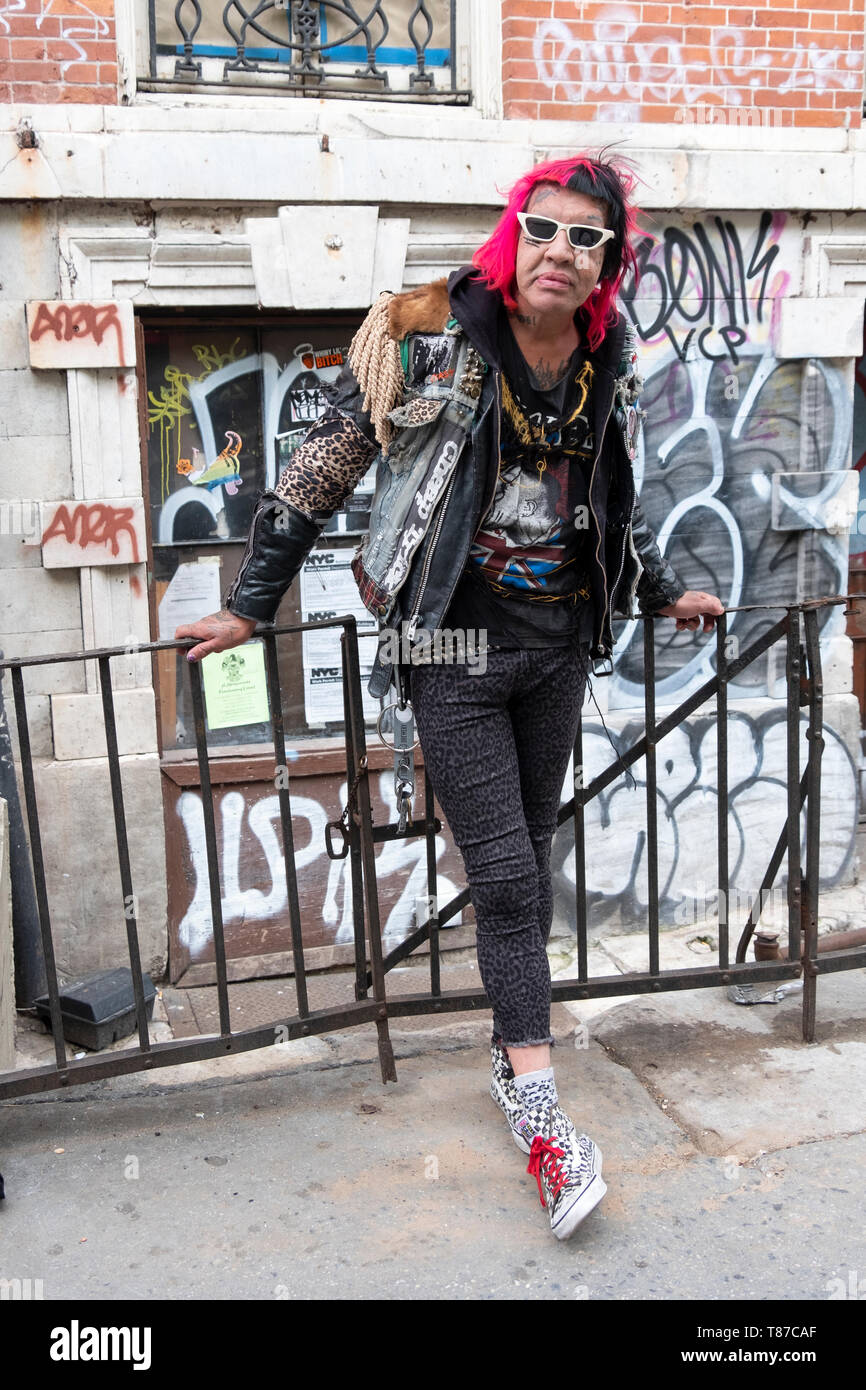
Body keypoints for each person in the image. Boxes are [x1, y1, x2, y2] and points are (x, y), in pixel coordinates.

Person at [176, 155, 723, 1241]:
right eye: (544, 229)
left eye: (586, 239)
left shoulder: (602, 356)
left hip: (558, 649)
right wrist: (251, 603)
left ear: (608, 263)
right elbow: (318, 465)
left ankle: (504, 1048)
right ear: (509, 232)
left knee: (522, 849)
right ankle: (543, 1117)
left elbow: (614, 493)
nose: (560, 252)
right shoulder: (427, 332)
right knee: (512, 884)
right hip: (452, 649)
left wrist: (662, 590)